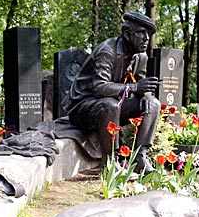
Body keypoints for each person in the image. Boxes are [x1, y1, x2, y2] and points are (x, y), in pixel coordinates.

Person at [68, 11, 161, 173]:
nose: (146, 38)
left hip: (112, 104)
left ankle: (139, 158)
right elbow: (99, 88)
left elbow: (140, 83)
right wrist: (135, 88)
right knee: (111, 105)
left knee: (153, 103)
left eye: (148, 34)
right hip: (83, 107)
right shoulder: (108, 52)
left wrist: (146, 95)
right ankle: (110, 162)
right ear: (126, 34)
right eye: (141, 33)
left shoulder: (141, 57)